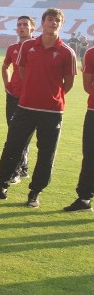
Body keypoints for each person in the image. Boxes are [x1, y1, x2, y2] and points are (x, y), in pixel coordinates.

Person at [0, 8, 76, 207]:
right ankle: (1, 187)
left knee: (46, 152)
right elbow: (22, 71)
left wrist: (51, 95)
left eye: (57, 20)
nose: (53, 23)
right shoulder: (28, 47)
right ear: (42, 23)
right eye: (50, 19)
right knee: (13, 146)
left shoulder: (67, 52)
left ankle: (35, 192)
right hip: (26, 107)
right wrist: (32, 92)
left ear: (61, 24)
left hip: (52, 111)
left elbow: (68, 83)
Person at [1, 16, 35, 182]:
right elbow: (5, 66)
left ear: (32, 29)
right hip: (13, 95)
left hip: (29, 98)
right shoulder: (12, 48)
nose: (22, 27)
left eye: (25, 25)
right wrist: (7, 83)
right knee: (13, 132)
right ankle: (22, 167)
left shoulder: (37, 48)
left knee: (21, 134)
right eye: (19, 25)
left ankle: (19, 169)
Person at [65, 44, 94, 212]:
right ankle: (84, 199)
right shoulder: (91, 53)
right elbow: (87, 86)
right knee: (90, 155)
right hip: (93, 111)